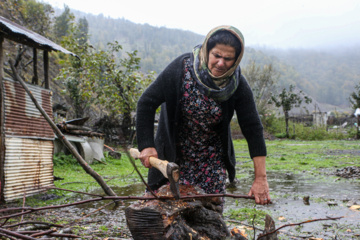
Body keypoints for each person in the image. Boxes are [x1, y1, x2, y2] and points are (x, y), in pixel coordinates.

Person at [136, 25, 271, 205]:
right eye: (216, 55)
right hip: (172, 155)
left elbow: (253, 128)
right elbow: (146, 103)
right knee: (160, 209)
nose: (221, 63)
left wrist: (260, 178)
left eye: (228, 58)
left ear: (236, 60)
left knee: (208, 213)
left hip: (211, 160)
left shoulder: (236, 84)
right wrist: (146, 145)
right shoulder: (181, 69)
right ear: (207, 50)